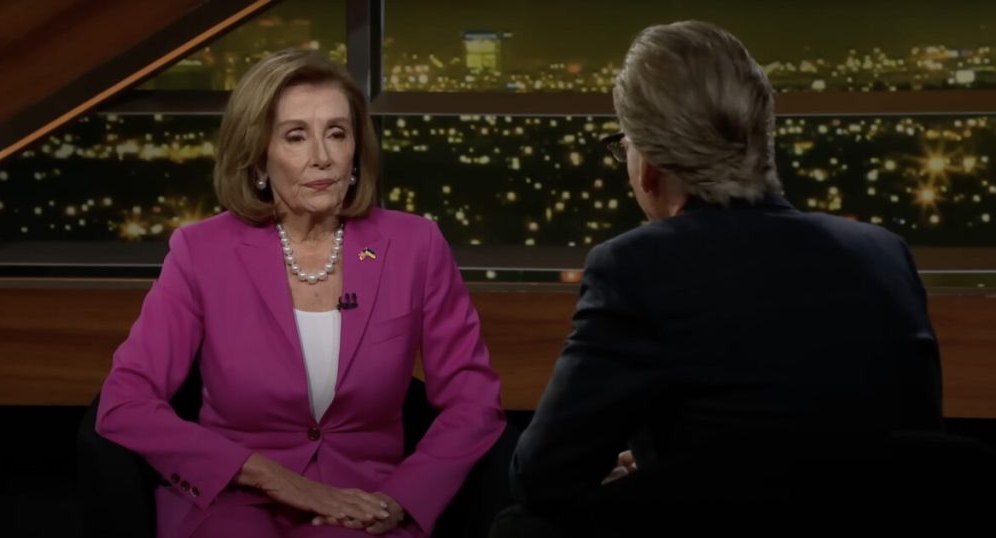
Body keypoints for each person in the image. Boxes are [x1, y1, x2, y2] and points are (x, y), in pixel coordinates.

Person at [493, 20, 942, 536]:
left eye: (624, 145)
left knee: (520, 525)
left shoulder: (636, 266)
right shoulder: (883, 252)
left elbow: (542, 475)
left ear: (649, 164)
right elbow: (917, 453)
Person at [96, 48, 505, 538]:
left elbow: (473, 403)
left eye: (337, 133)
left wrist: (402, 499)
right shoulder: (201, 252)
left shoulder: (414, 246)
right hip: (234, 499)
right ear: (259, 156)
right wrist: (273, 478)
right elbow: (125, 402)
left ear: (356, 150)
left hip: (363, 502)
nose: (322, 156)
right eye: (296, 136)